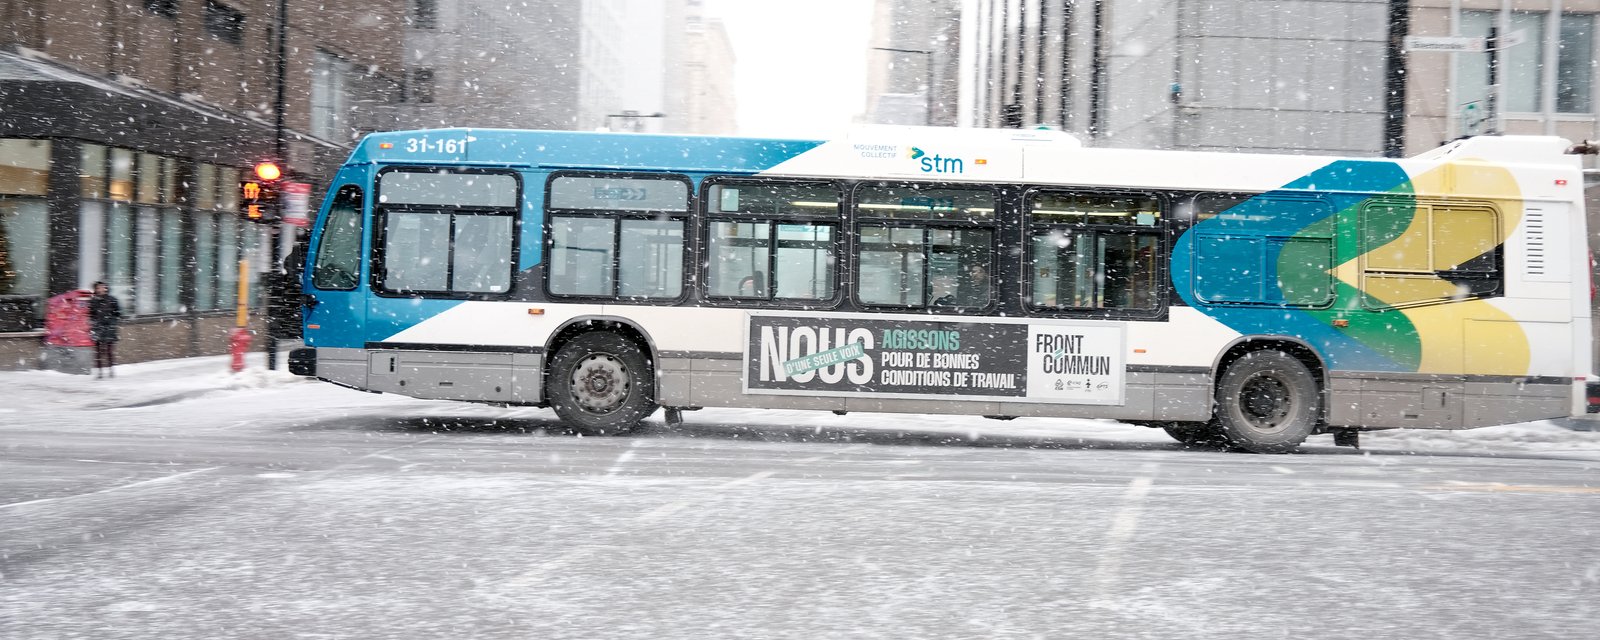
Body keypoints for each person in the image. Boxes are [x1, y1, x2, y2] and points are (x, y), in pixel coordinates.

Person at [88, 281, 121, 379]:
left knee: (109, 351)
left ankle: (111, 370)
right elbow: (91, 314)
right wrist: (94, 324)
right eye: (98, 288)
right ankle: (99, 372)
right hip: (98, 328)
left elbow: (118, 313)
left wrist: (112, 323)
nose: (101, 289)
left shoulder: (112, 300)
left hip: (109, 328)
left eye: (103, 287)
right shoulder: (93, 301)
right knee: (98, 351)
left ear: (106, 288)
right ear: (96, 289)